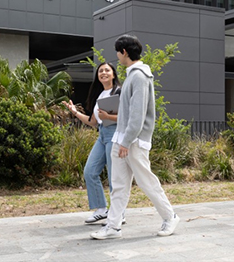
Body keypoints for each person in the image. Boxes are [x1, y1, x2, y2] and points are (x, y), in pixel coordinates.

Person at [91, 35, 180, 239]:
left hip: (133, 141)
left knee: (146, 181)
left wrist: (126, 141)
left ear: (124, 52)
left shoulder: (139, 76)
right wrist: (122, 140)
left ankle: (170, 216)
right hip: (122, 139)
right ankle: (113, 227)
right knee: (118, 185)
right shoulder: (132, 75)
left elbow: (137, 115)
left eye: (118, 52)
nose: (117, 56)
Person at [62, 62, 121, 224]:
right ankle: (101, 209)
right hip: (102, 134)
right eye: (100, 71)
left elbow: (127, 117)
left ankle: (118, 213)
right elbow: (93, 122)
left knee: (114, 176)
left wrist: (108, 117)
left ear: (113, 74)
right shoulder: (100, 95)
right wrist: (75, 112)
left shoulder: (119, 91)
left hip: (114, 134)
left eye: (107, 70)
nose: (103, 73)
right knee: (90, 171)